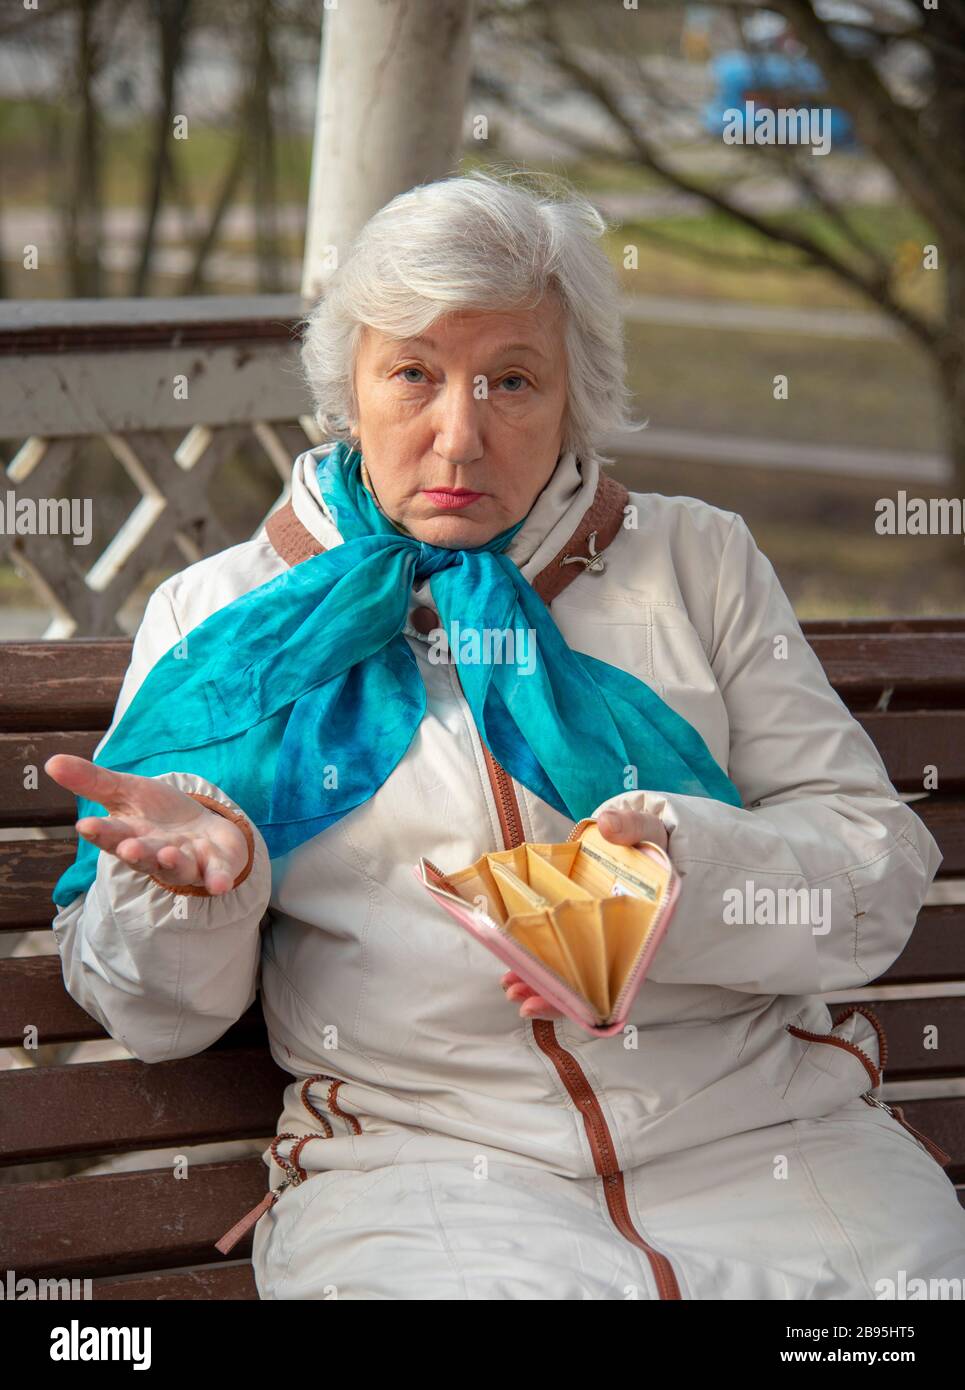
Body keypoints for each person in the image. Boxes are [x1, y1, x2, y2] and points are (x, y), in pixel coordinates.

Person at [47, 170, 965, 1300]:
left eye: (510, 380)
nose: (458, 435)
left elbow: (871, 868)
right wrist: (194, 896)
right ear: (350, 387)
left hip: (770, 1141)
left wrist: (680, 886)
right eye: (415, 375)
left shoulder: (697, 560)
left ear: (575, 394)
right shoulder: (216, 615)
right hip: (425, 1170)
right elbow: (151, 1017)